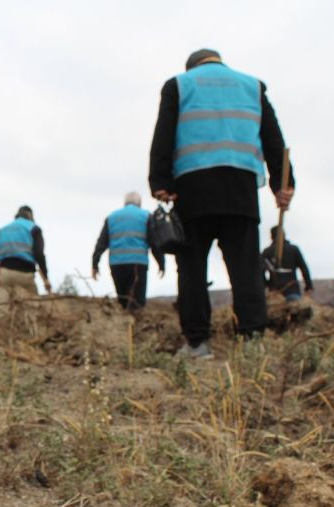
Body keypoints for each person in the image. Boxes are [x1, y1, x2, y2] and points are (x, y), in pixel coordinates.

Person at [149, 48, 294, 360]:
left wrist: (160, 182)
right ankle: (253, 341)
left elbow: (163, 133)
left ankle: (197, 344)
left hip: (193, 189)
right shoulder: (252, 86)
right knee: (246, 270)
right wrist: (283, 183)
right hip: (240, 189)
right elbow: (273, 139)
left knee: (191, 270)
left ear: (191, 67)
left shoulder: (179, 84)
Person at [91, 192, 165, 311]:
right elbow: (155, 243)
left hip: (116, 265)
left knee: (123, 301)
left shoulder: (112, 217)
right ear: (139, 203)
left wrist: (95, 264)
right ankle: (133, 326)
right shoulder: (146, 216)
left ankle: (125, 325)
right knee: (137, 303)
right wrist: (161, 263)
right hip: (138, 264)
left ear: (125, 203)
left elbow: (101, 243)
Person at [0, 206, 52, 303]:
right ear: (31, 217)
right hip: (25, 275)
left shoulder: (3, 230)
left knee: (1, 311)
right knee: (31, 310)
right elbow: (39, 254)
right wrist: (46, 278)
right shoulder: (34, 228)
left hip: (4, 274)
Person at [261, 226, 313, 302]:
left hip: (274, 293)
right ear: (284, 235)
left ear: (271, 236)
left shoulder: (266, 252)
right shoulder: (293, 249)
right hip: (291, 291)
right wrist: (308, 286)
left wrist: (266, 285)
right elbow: (304, 268)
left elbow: (260, 272)